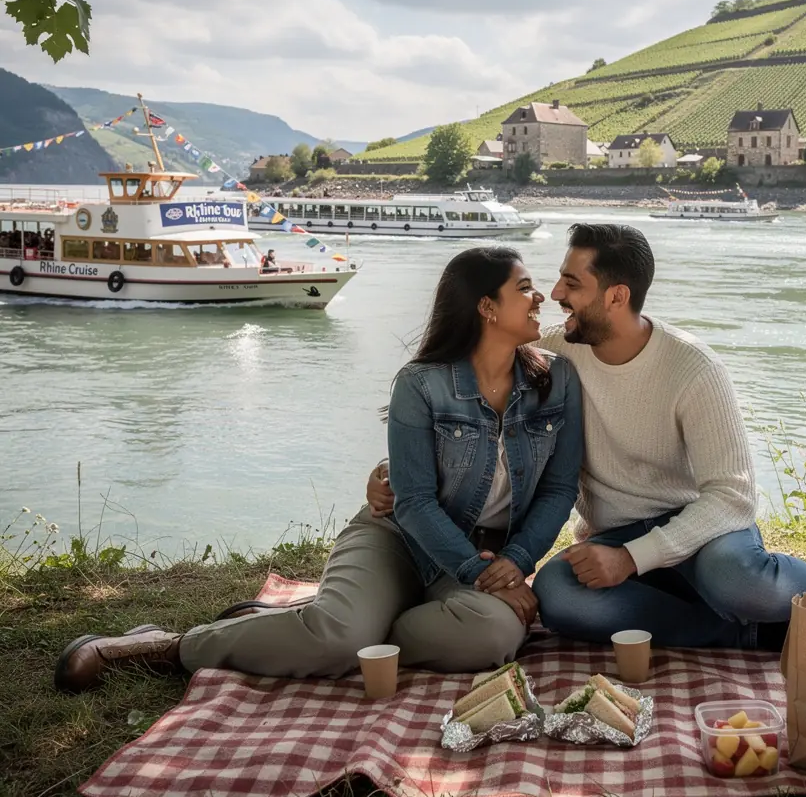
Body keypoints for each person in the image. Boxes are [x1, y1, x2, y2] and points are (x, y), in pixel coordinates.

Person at [53, 246, 583, 692]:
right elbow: (415, 501)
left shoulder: (557, 380)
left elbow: (560, 488)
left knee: (492, 637)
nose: (540, 297)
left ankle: (333, 625)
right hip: (400, 537)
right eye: (525, 288)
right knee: (343, 636)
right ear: (486, 307)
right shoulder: (421, 383)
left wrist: (515, 561)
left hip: (489, 555)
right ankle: (168, 646)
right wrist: (478, 575)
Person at [367, 223, 806, 652]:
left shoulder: (693, 368)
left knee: (734, 577)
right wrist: (392, 471)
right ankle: (738, 635)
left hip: (703, 533)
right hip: (613, 535)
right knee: (558, 596)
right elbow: (463, 385)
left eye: (572, 283)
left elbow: (732, 497)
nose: (554, 293)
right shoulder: (556, 353)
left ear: (616, 296)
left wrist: (632, 559)